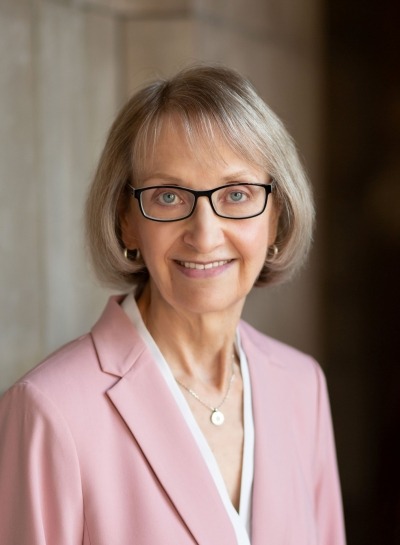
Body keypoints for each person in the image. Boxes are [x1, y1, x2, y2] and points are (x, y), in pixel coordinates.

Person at [0, 65, 346, 545]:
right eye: (168, 196)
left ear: (276, 218)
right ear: (126, 222)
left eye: (236, 194)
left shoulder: (301, 386)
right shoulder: (49, 410)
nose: (204, 235)